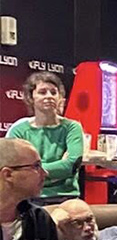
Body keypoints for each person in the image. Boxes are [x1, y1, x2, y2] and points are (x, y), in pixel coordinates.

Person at [5, 72, 85, 203]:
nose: (49, 96)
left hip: (65, 197)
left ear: (60, 97)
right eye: (42, 92)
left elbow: (71, 166)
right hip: (28, 198)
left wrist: (32, 170)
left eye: (53, 92)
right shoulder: (19, 130)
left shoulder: (72, 127)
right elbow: (14, 171)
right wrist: (58, 168)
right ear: (31, 98)